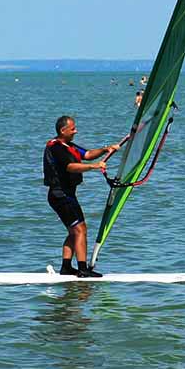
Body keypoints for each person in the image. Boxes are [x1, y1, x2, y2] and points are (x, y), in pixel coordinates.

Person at [43, 115, 119, 277]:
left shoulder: (68, 145)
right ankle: (83, 270)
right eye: (73, 129)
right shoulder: (56, 148)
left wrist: (106, 149)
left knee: (74, 230)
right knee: (80, 230)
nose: (76, 131)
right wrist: (94, 167)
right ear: (63, 131)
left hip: (66, 195)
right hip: (60, 195)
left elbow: (88, 154)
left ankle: (66, 267)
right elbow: (70, 167)